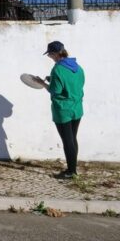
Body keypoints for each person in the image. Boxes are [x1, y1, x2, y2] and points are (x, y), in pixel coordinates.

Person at [34, 41, 85, 179]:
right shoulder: (77, 67)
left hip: (63, 110)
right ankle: (73, 169)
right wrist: (53, 79)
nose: (49, 56)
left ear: (56, 54)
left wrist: (42, 83)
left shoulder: (57, 69)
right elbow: (74, 83)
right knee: (73, 138)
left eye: (50, 54)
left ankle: (71, 172)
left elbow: (55, 91)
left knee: (67, 140)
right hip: (77, 108)